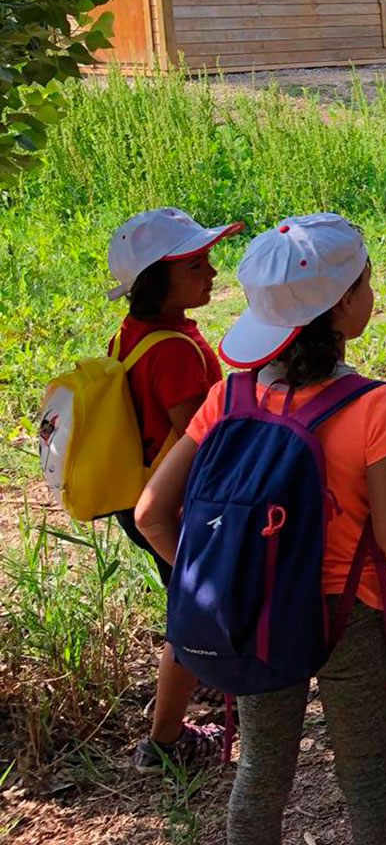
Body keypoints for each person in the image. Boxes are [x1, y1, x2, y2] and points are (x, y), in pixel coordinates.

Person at [134, 213, 386, 845]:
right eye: (365, 283)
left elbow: (150, 514)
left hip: (257, 614)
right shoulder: (375, 406)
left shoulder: (228, 399)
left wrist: (206, 584)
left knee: (261, 777)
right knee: (368, 779)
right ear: (346, 304)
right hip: (348, 613)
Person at [104, 207, 240, 773]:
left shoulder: (139, 334)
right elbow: (200, 441)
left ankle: (205, 682)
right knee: (193, 614)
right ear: (159, 281)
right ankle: (163, 743)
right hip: (177, 506)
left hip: (140, 496)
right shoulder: (174, 353)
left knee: (190, 604)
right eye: (197, 266)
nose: (211, 273)